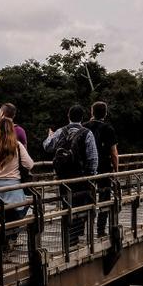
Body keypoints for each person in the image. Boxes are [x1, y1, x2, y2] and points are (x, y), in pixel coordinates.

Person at [44, 105, 98, 247]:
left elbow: (47, 146)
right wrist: (91, 175)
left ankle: (70, 235)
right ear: (82, 118)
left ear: (68, 116)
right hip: (81, 177)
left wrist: (50, 135)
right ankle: (76, 234)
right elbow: (93, 158)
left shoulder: (61, 131)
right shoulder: (87, 133)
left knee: (66, 204)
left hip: (63, 176)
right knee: (81, 204)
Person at [0, 115, 34, 248]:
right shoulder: (17, 146)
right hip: (13, 186)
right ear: (11, 130)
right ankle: (10, 237)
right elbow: (30, 164)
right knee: (20, 209)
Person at [83, 101, 119, 238]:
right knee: (105, 198)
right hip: (104, 167)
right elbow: (114, 152)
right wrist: (116, 170)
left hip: (87, 169)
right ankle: (100, 230)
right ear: (105, 113)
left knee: (87, 197)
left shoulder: (84, 127)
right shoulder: (108, 128)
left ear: (92, 112)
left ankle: (82, 229)